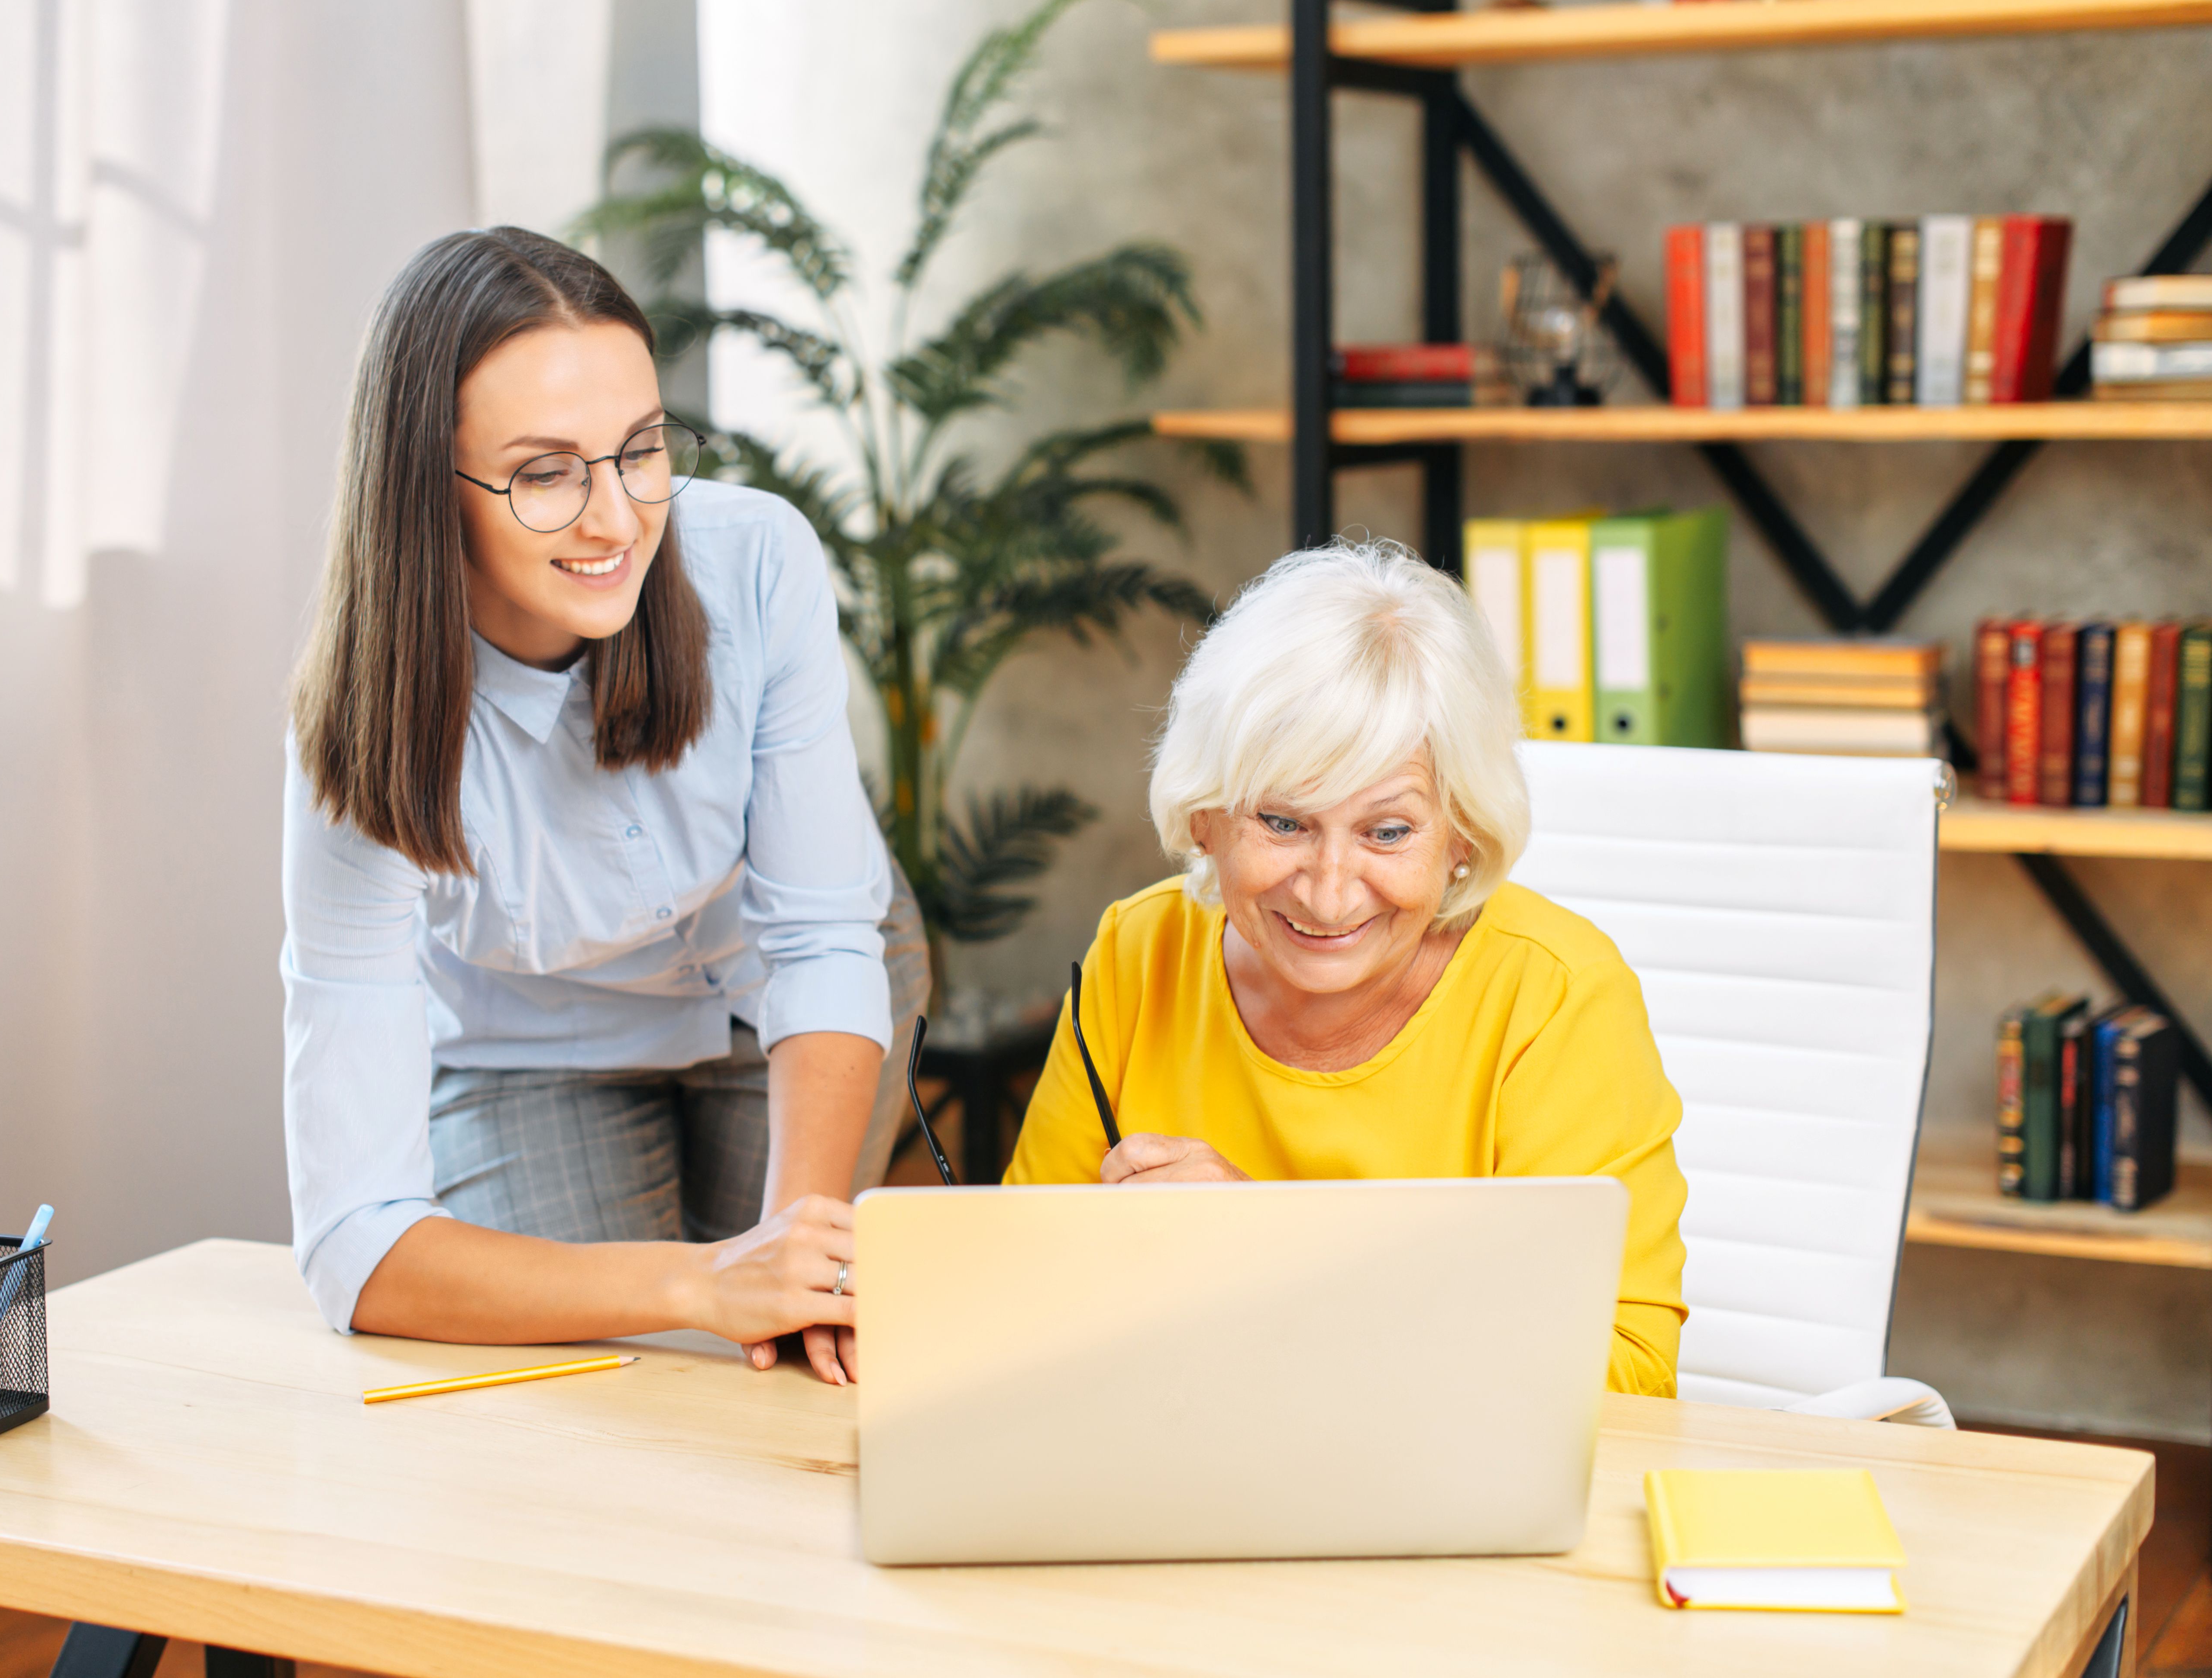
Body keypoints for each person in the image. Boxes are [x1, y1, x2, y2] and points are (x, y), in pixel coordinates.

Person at [282, 228, 926, 1385]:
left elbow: (823, 936)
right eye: (543, 473)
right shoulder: (360, 742)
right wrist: (694, 1282)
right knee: (623, 1386)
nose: (616, 521)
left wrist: (788, 1258)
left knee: (779, 1368)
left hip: (782, 990)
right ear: (426, 490)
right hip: (536, 1047)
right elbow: (356, 1249)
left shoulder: (755, 561)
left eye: (637, 451)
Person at [1003, 540, 1687, 1396]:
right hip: (1180, 1466)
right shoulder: (1137, 953)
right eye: (1282, 822)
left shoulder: (1553, 997)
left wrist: (1276, 1253)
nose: (1328, 893)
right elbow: (1018, 1291)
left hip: (1442, 1514)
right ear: (1207, 816)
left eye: (1387, 830)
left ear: (1461, 833)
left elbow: (1625, 1376)